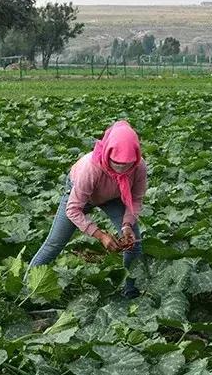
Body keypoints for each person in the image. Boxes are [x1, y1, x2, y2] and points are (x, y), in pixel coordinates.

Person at [29, 120, 147, 298]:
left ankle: (130, 292)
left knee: (134, 244)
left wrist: (127, 225)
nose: (122, 168)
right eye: (116, 163)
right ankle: (27, 289)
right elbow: (73, 210)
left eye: (127, 164)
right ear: (107, 153)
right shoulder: (90, 168)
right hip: (81, 196)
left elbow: (136, 199)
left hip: (113, 197)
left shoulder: (139, 167)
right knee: (54, 243)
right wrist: (100, 235)